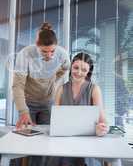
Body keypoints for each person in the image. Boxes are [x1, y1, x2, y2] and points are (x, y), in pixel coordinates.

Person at [12, 22, 70, 166]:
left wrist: (53, 80)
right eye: (44, 51)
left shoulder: (62, 54)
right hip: (28, 103)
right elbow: (17, 86)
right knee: (25, 142)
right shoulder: (25, 54)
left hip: (47, 102)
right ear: (36, 45)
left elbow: (65, 68)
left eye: (52, 51)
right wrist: (23, 111)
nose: (49, 55)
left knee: (46, 141)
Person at [55, 52, 121, 166]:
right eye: (76, 68)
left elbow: (103, 120)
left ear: (88, 72)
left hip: (88, 141)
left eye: (84, 70)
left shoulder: (94, 89)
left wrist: (102, 129)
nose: (79, 72)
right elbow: (55, 120)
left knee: (112, 161)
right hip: (65, 141)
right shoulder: (61, 89)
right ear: (71, 67)